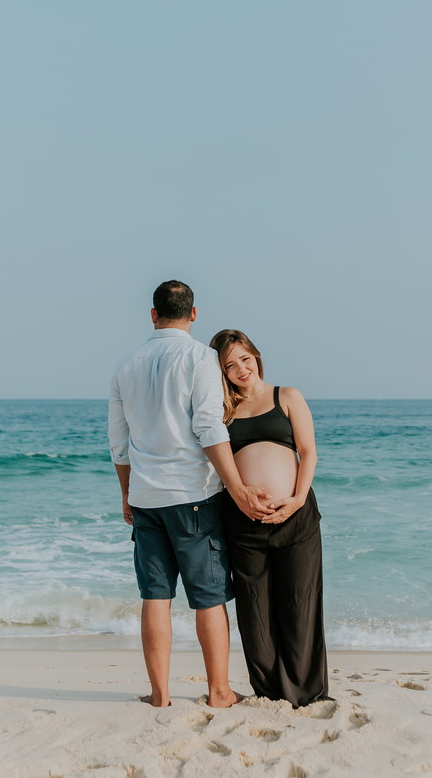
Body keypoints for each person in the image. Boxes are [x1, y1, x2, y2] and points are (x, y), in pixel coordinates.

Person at [109, 281, 272, 708]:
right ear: (194, 314)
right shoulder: (201, 357)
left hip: (147, 500)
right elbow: (208, 427)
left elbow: (119, 443)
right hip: (194, 498)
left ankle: (160, 695)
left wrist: (127, 494)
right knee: (209, 598)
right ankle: (219, 691)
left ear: (153, 314)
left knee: (155, 597)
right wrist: (237, 488)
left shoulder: (125, 365)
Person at [208, 329, 329, 709]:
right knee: (254, 615)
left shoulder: (287, 396)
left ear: (256, 356)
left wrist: (295, 499)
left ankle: (306, 694)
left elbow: (308, 452)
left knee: (299, 607)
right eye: (230, 365)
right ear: (221, 372)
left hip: (296, 520)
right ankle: (270, 692)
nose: (241, 369)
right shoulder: (222, 413)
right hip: (244, 526)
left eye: (245, 359)